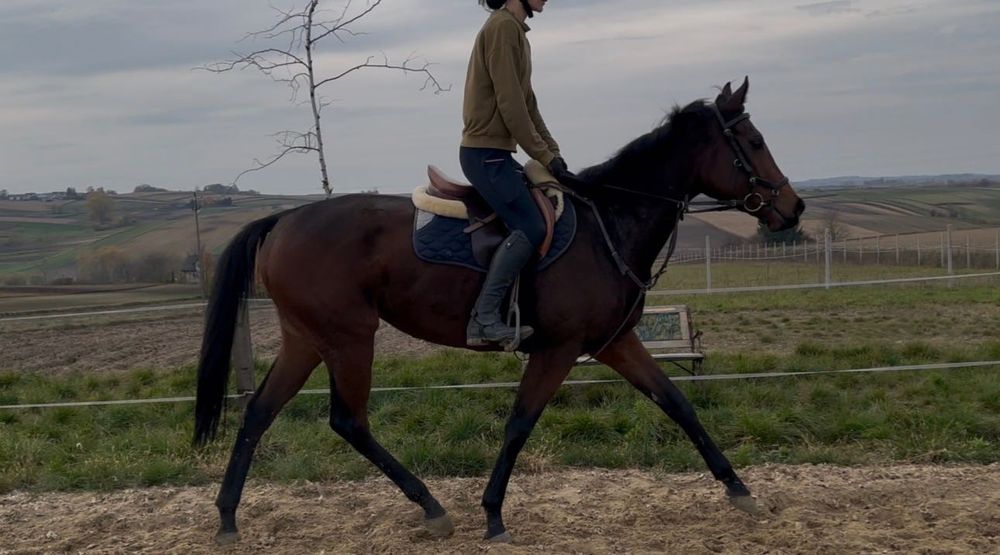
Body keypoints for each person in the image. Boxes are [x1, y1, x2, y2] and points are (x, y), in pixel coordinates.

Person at [461, 0, 576, 348]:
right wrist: (542, 153)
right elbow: (511, 106)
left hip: (497, 152)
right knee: (531, 225)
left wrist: (553, 154)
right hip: (486, 154)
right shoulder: (502, 29)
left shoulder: (517, 33)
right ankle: (483, 320)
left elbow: (528, 104)